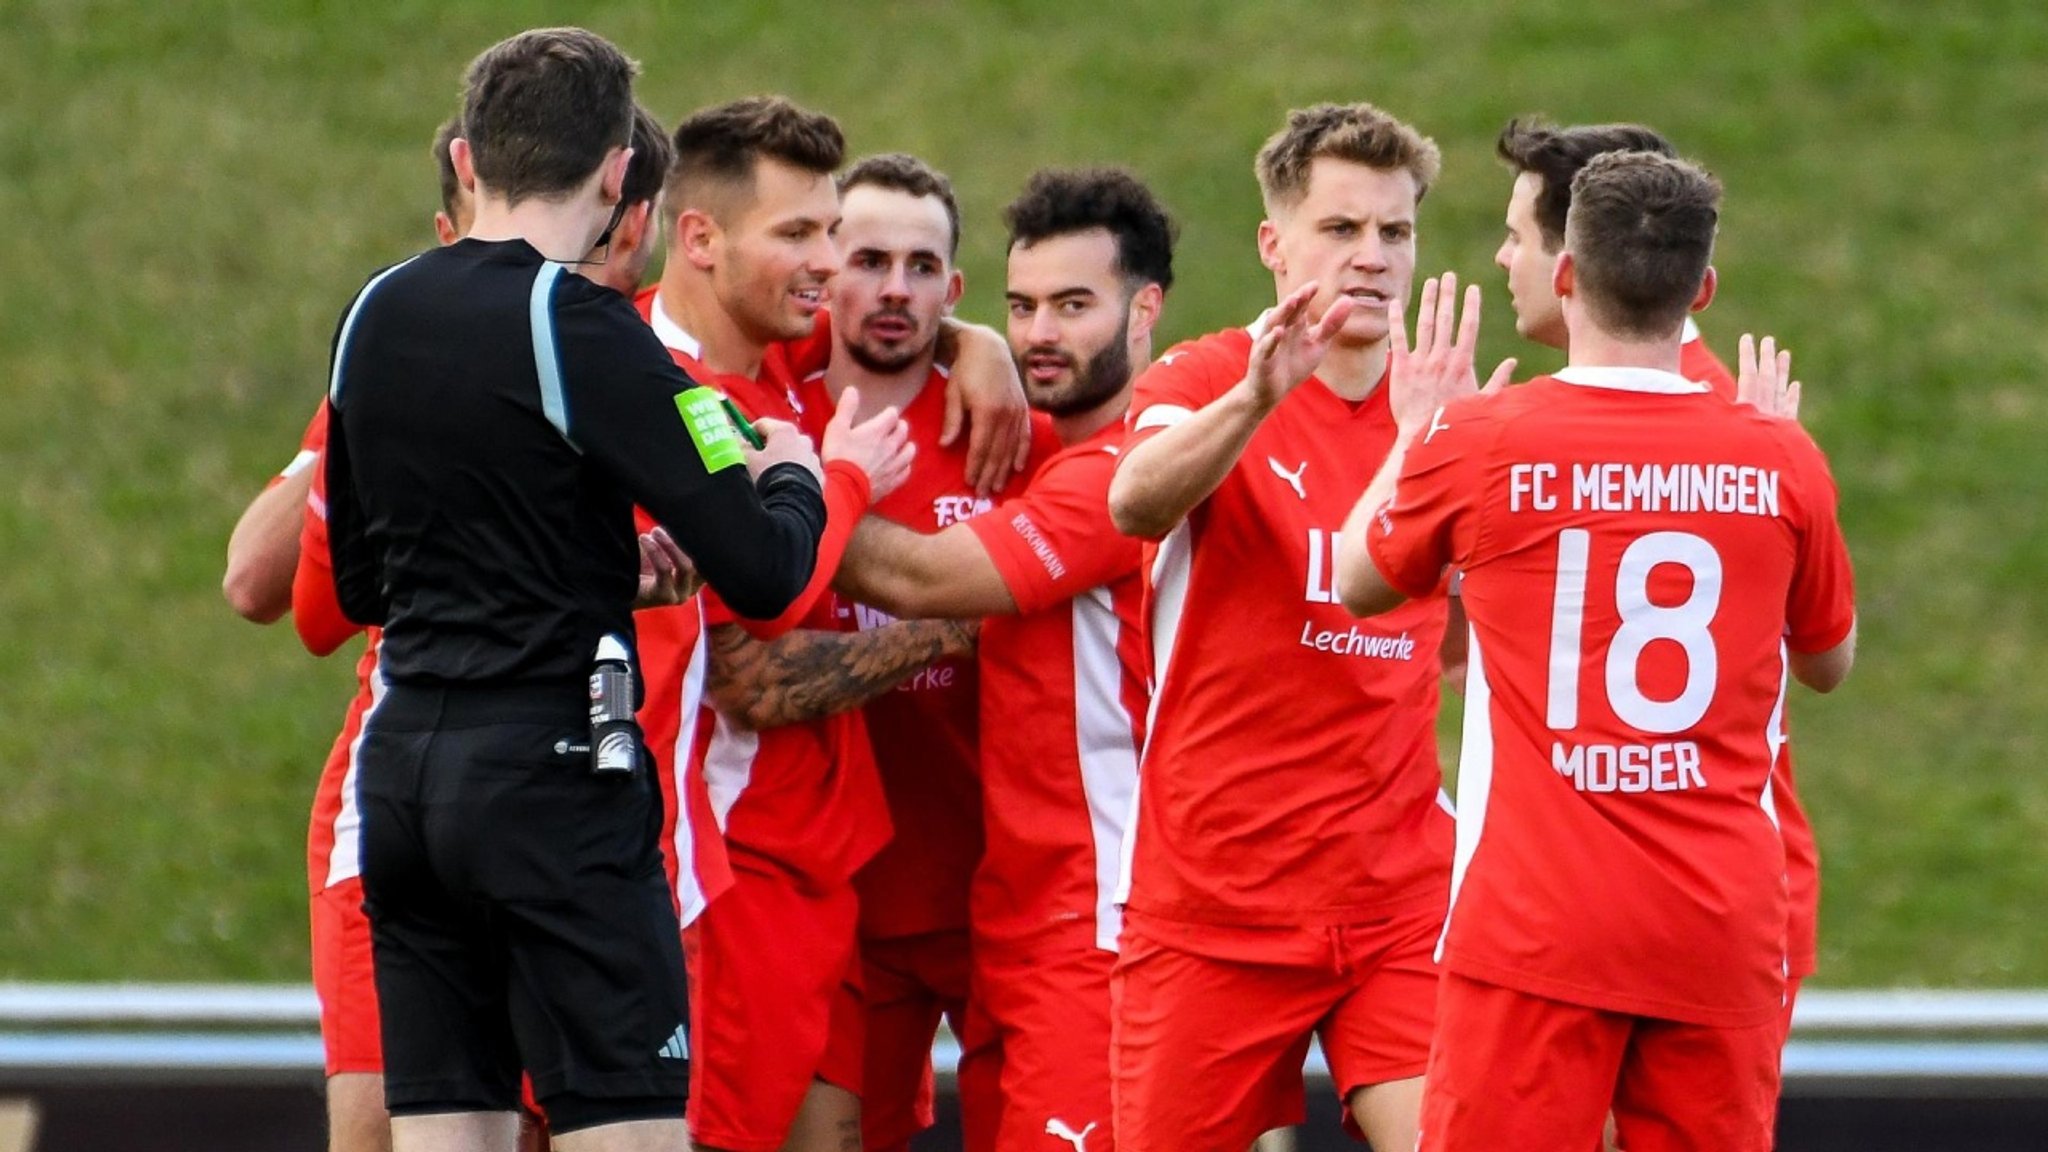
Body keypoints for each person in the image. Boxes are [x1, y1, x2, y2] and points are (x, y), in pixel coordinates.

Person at [320, 29, 844, 1152]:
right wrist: (795, 470)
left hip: (403, 775)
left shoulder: (376, 308)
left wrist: (588, 568)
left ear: (467, 160)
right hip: (554, 779)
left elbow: (363, 580)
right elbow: (762, 569)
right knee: (627, 1127)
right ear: (619, 176)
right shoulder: (578, 323)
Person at [1334, 151, 1855, 1151]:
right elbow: (1826, 663)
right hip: (1717, 925)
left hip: (1536, 925)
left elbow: (1360, 583)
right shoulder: (1779, 455)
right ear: (1699, 290)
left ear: (1565, 275)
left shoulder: (1482, 438)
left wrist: (1410, 433)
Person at [1102, 102, 1455, 1152]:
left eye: (1393, 233)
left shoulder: (1439, 409)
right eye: (1340, 230)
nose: (1371, 257)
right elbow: (1133, 503)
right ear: (1274, 244)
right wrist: (1257, 399)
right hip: (1214, 905)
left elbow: (1475, 629)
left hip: (1397, 902)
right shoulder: (1206, 379)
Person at [638, 96, 981, 1152]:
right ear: (698, 238)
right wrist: (967, 618)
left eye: (832, 235)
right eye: (803, 235)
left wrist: (979, 347)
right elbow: (753, 677)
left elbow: (897, 319)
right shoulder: (645, 392)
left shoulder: (774, 365)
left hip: (819, 876)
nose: (835, 269)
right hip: (718, 871)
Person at [834, 166, 1171, 1152]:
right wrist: (962, 337)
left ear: (1143, 309)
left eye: (1073, 305)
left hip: (1098, 914)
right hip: (994, 909)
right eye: (1021, 308)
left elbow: (925, 581)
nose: (1039, 335)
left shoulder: (1129, 473)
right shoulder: (1022, 434)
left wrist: (771, 499)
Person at [1492, 117, 1822, 1040]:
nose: (1501, 259)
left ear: (1574, 259)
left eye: (1519, 235)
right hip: (1688, 893)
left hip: (1633, 902)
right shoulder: (1738, 425)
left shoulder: (1673, 434)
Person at [799, 152, 1049, 1152]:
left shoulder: (1010, 424)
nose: (893, 289)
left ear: (953, 288)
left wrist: (982, 346)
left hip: (1003, 888)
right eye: (867, 259)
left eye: (921, 266)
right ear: (825, 270)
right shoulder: (768, 411)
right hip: (838, 897)